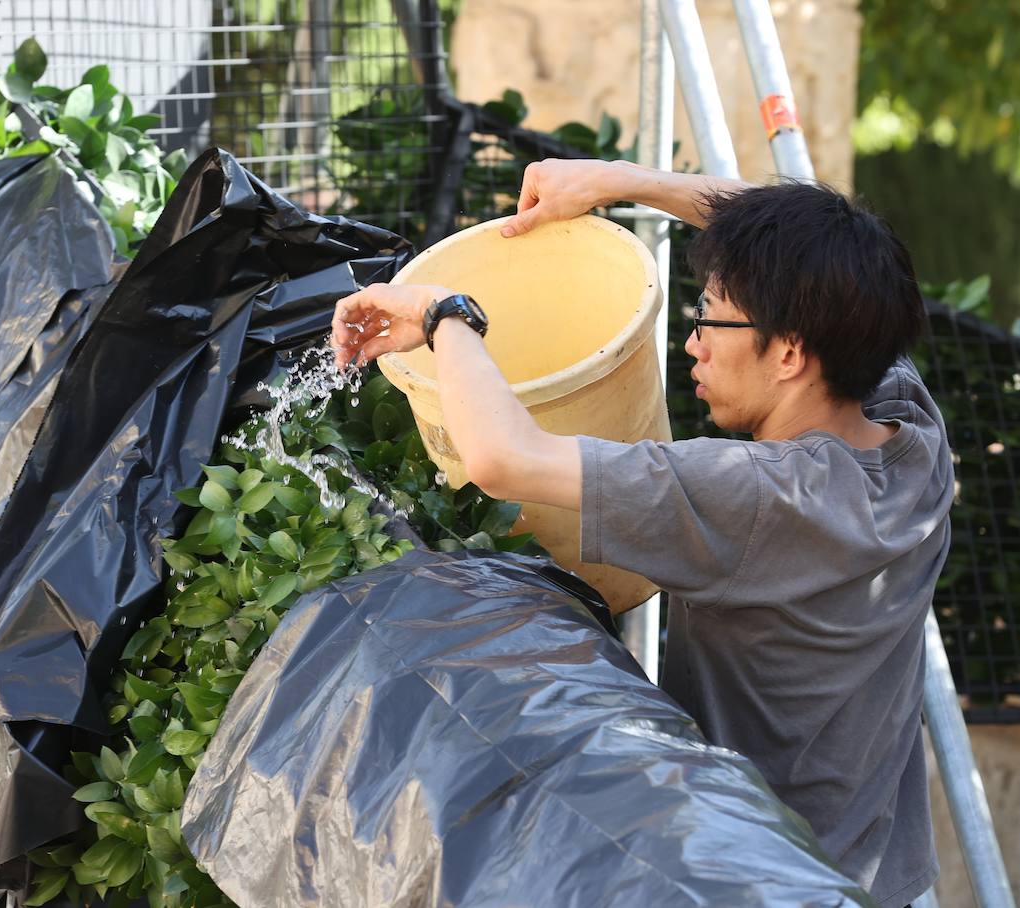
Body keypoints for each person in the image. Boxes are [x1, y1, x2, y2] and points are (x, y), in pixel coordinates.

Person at [329, 157, 951, 907]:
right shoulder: (910, 437)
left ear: (788, 353)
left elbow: (502, 457)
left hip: (759, 884)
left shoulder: (751, 499)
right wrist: (618, 182)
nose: (693, 341)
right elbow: (796, 246)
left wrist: (444, 316)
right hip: (879, 877)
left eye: (710, 320)